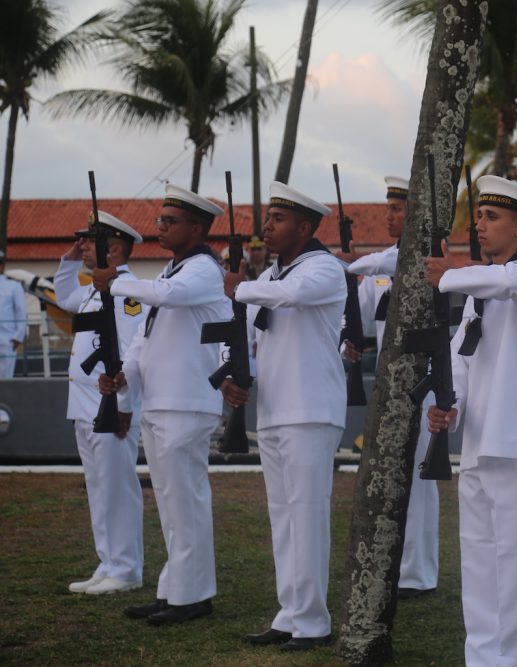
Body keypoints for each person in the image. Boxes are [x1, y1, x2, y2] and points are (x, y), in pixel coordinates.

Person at [425, 175, 517, 667]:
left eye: (492, 217)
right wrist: (450, 403)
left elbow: (508, 281)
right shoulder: (480, 289)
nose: (480, 225)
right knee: (479, 567)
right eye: (479, 216)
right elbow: (463, 358)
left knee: (516, 570)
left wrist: (447, 274)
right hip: (479, 441)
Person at [96, 184, 231, 625]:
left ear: (196, 227)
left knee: (185, 501)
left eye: (168, 222)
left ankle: (192, 595)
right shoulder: (173, 272)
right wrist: (124, 378)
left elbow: (166, 298)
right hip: (162, 400)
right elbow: (144, 338)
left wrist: (117, 281)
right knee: (172, 504)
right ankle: (175, 589)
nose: (160, 228)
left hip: (187, 401)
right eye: (160, 220)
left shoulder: (204, 270)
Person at [221, 182, 347, 651]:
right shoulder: (272, 275)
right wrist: (233, 377)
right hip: (275, 410)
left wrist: (240, 287)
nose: (267, 227)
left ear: (305, 227)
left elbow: (291, 296)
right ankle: (290, 611)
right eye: (268, 218)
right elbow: (256, 337)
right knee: (282, 517)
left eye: (277, 220)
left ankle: (313, 620)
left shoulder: (323, 268)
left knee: (307, 515)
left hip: (311, 409)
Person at [344, 175, 440, 598]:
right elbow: (358, 316)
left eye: (397, 210)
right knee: (389, 478)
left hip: (423, 382)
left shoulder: (429, 263)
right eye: (387, 209)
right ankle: (397, 565)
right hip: (389, 386)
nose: (389, 216)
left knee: (418, 478)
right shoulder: (381, 266)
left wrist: (350, 262)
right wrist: (348, 338)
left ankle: (418, 573)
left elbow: (369, 266)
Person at [55, 212, 149, 595]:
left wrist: (126, 405)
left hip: (110, 405)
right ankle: (108, 562)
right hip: (86, 406)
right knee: (98, 487)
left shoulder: (127, 290)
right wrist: (69, 259)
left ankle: (126, 568)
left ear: (111, 249)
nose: (82, 246)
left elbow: (132, 355)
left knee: (117, 488)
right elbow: (63, 295)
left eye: (87, 241)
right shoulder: (94, 290)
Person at [0, 250, 27, 378]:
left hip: (7, 340)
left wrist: (17, 337)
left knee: (5, 378)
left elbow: (21, 312)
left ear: (2, 266)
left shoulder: (14, 286)